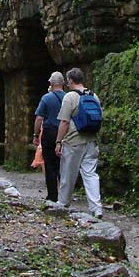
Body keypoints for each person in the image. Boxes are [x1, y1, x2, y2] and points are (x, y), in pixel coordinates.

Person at [53, 68, 103, 219]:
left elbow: (64, 122)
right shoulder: (94, 96)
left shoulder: (70, 97)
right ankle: (96, 208)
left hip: (73, 141)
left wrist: (58, 142)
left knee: (68, 174)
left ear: (70, 81)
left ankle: (62, 204)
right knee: (90, 175)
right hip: (91, 141)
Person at [32, 73, 66, 202]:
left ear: (51, 83)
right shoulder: (69, 98)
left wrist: (36, 135)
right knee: (63, 164)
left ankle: (52, 195)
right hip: (65, 133)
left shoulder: (46, 98)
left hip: (49, 132)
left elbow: (39, 118)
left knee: (50, 164)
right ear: (63, 83)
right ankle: (64, 195)